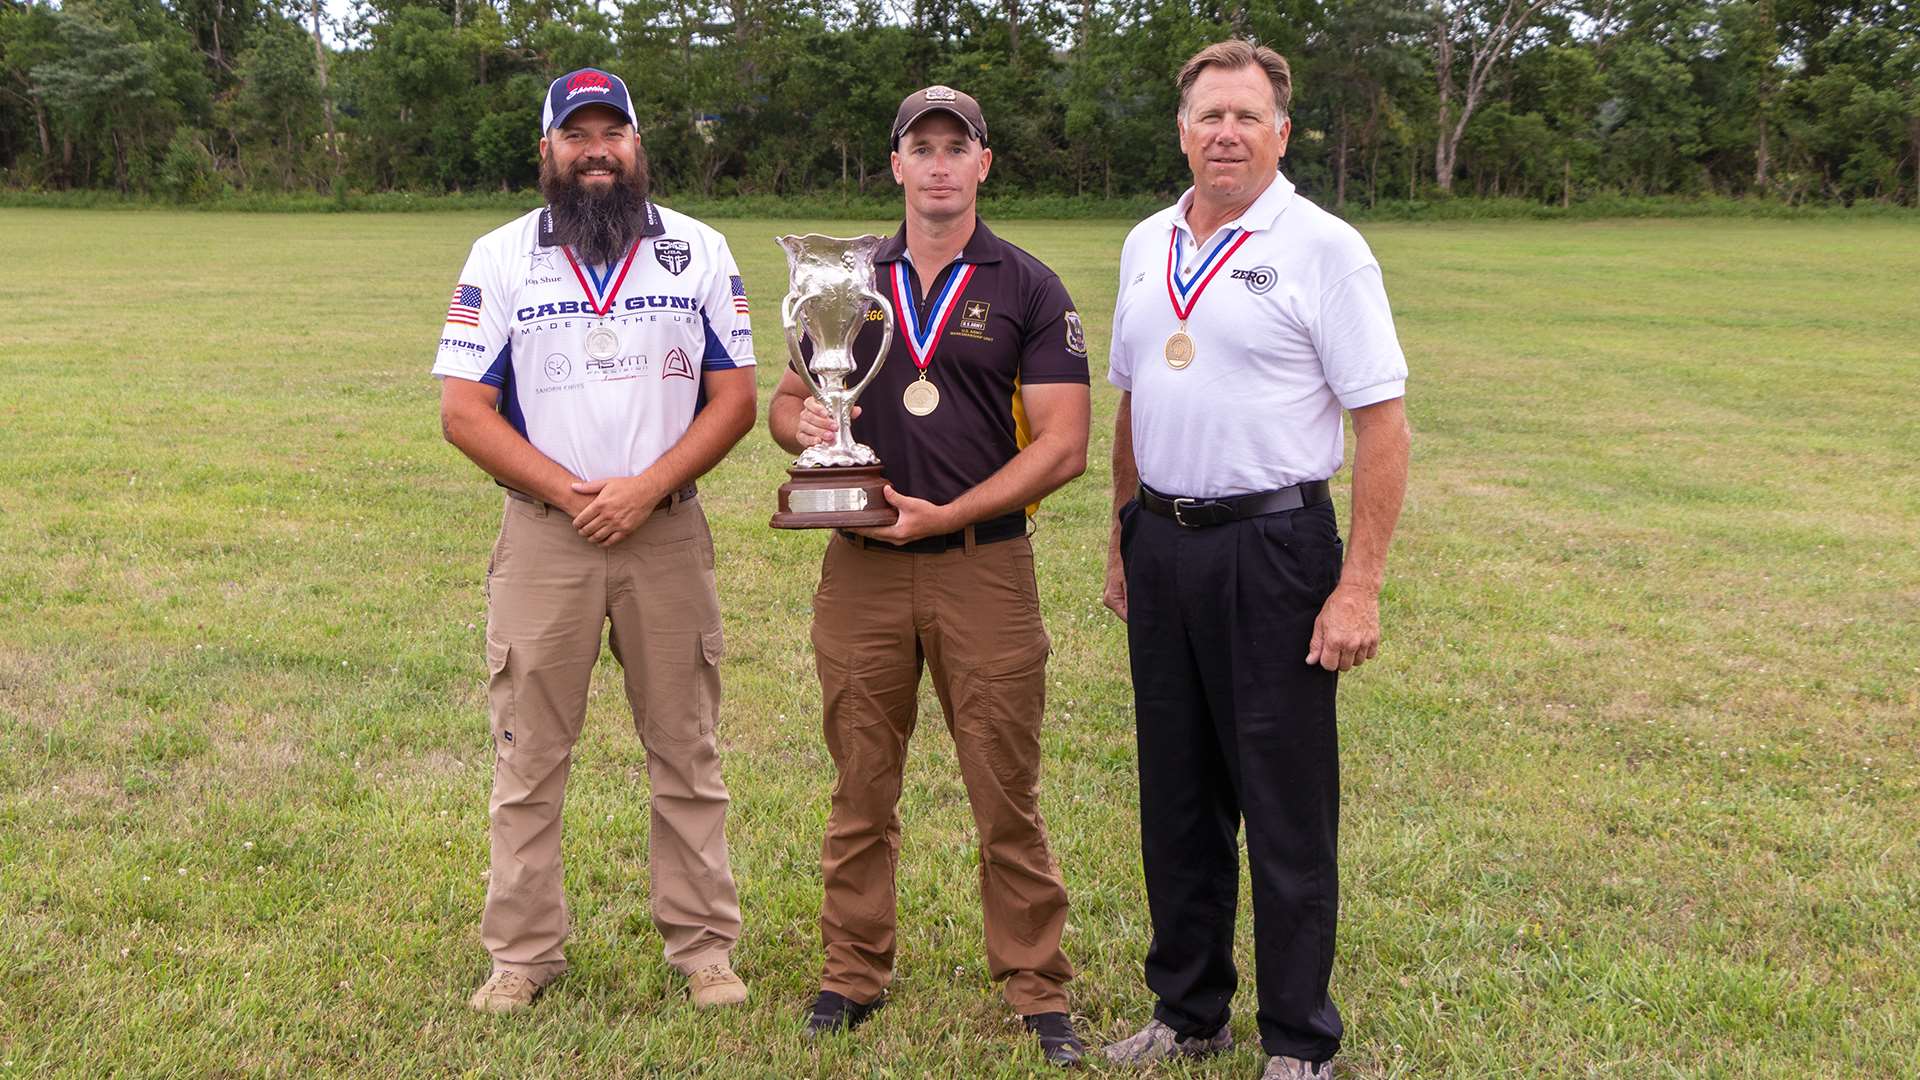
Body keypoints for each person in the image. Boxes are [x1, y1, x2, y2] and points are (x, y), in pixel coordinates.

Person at [1099, 41, 1412, 1080]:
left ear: (1281, 131)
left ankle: (1298, 1042)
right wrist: (1120, 536)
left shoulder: (1326, 247)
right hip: (1165, 543)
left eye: (1246, 115)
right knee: (1177, 799)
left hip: (1275, 549)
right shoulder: (1146, 242)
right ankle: (1188, 1012)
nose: (1224, 132)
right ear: (1181, 131)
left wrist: (1357, 585)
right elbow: (1135, 401)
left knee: (1283, 805)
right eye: (1207, 115)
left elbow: (1383, 425)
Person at [767, 86, 1093, 1066]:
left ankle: (1036, 986)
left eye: (960, 147)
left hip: (982, 566)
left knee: (1007, 790)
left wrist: (948, 513)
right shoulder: (842, 283)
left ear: (984, 165)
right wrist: (809, 426)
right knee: (861, 784)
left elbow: (1067, 446)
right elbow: (784, 405)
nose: (941, 164)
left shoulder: (1030, 287)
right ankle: (851, 973)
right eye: (924, 148)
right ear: (898, 166)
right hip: (860, 565)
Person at [432, 67, 758, 1014]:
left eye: (613, 131)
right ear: (547, 152)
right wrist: (578, 495)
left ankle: (704, 950)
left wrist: (644, 489)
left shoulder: (697, 250)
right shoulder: (499, 257)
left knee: (686, 749)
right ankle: (524, 956)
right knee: (528, 754)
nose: (597, 150)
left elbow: (734, 397)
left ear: (638, 145)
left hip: (665, 532)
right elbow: (463, 411)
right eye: (577, 134)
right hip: (544, 537)